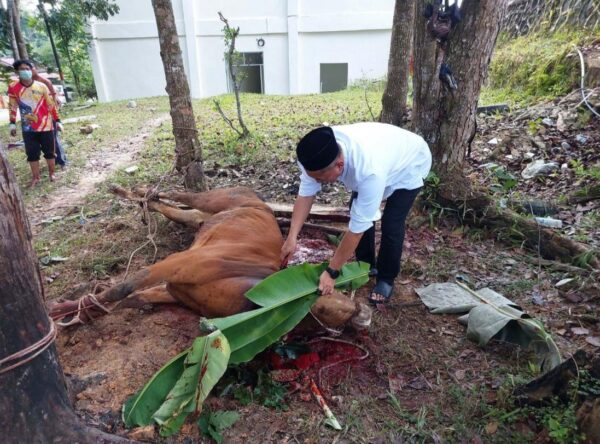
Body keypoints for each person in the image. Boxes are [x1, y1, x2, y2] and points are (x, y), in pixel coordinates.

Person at [280, 123, 432, 305]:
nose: (316, 182)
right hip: (385, 151)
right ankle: (366, 265)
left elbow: (356, 229)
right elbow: (306, 193)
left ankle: (386, 278)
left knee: (391, 223)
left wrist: (332, 272)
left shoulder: (368, 171)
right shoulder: (313, 155)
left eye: (319, 179)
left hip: (410, 163)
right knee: (357, 208)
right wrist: (292, 236)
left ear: (339, 165)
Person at [8, 59, 63, 187]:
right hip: (28, 128)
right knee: (32, 154)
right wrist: (12, 123)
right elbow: (12, 106)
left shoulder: (41, 86)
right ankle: (36, 177)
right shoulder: (13, 87)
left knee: (50, 152)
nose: (26, 72)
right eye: (22, 69)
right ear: (17, 71)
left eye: (28, 69)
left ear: (31, 70)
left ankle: (52, 174)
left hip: (46, 125)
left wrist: (58, 120)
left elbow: (51, 105)